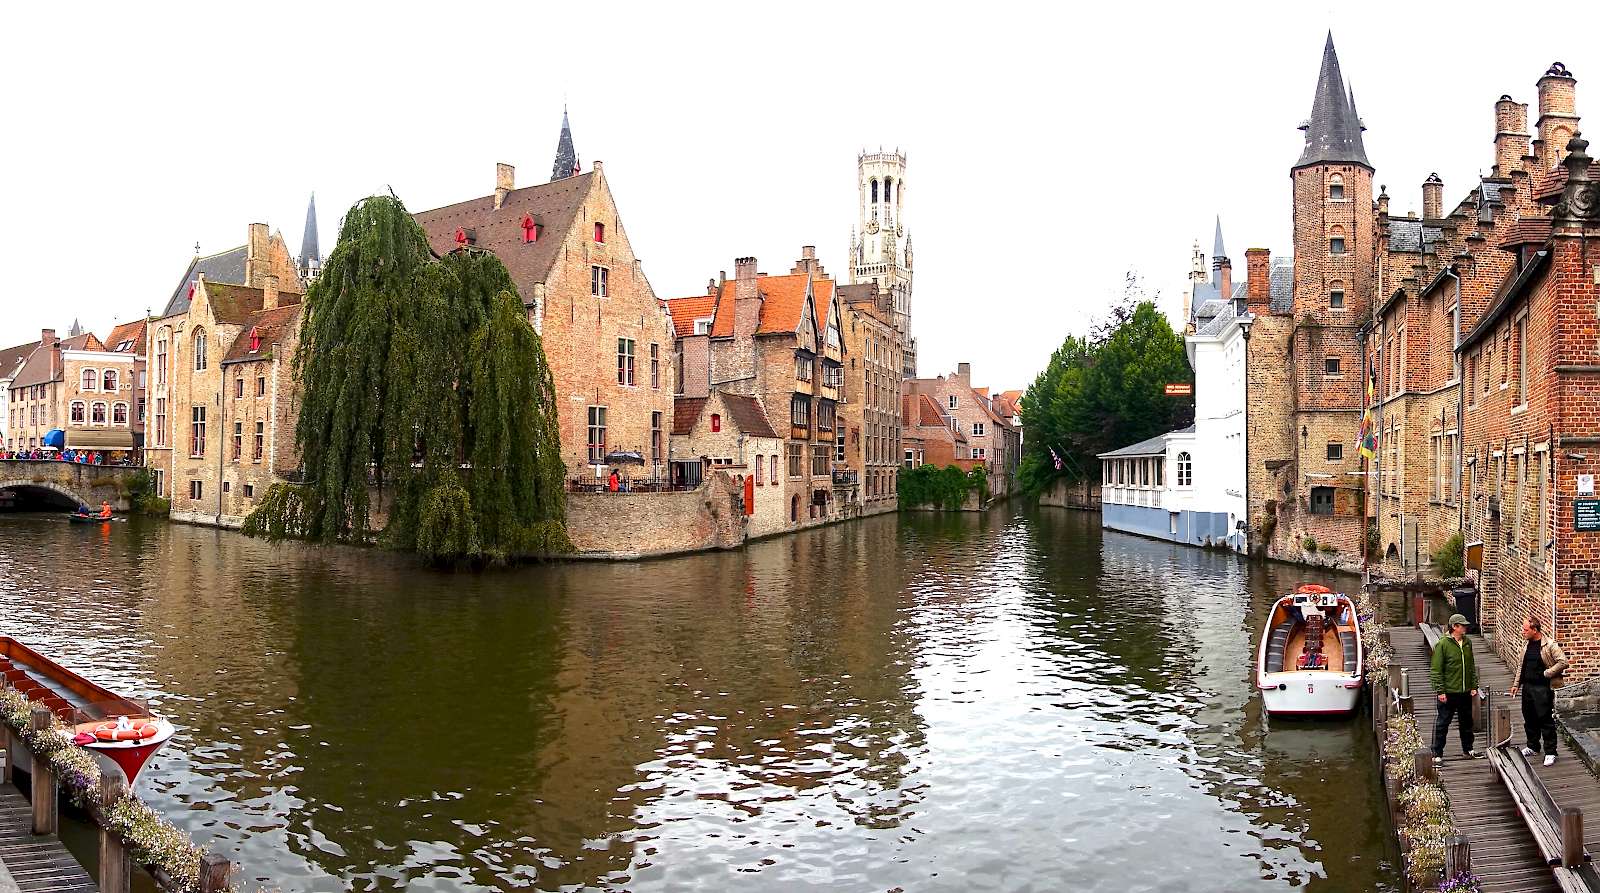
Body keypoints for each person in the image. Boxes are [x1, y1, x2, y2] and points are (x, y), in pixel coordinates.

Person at [1510, 615, 1568, 766]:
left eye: (1525, 629)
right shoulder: (1526, 645)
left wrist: (1548, 673)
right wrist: (1516, 684)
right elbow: (1521, 666)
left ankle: (1550, 752)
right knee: (1529, 718)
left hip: (1542, 688)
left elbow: (1563, 662)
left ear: (1534, 630)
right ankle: (1532, 746)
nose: (1522, 632)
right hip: (1528, 687)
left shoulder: (1549, 645)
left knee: (1545, 720)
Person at [1430, 613, 1481, 764]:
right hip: (1449, 692)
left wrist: (1473, 685)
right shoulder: (1443, 645)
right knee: (1443, 723)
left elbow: (1471, 665)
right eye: (1462, 625)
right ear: (1454, 627)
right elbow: (1436, 669)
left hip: (1464, 691)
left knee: (1467, 722)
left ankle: (1468, 749)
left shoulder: (1467, 643)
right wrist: (1440, 690)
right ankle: (1437, 753)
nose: (1465, 628)